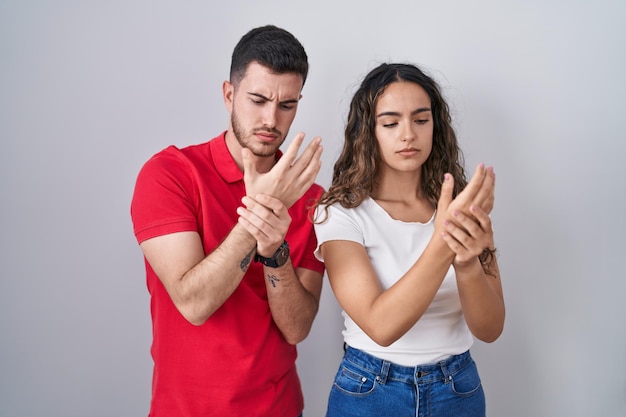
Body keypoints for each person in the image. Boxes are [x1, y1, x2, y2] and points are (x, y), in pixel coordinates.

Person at [130, 25, 324, 417]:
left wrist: (274, 252)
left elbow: (297, 328)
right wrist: (263, 211)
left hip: (279, 408)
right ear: (229, 94)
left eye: (287, 105)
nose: (271, 119)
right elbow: (194, 302)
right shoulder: (169, 174)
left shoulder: (311, 198)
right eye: (258, 99)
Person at [313, 63, 505, 417]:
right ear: (367, 132)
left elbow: (491, 328)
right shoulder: (340, 213)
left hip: (457, 390)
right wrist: (446, 241)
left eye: (421, 120)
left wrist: (466, 264)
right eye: (390, 123)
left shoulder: (460, 206)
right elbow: (381, 326)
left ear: (436, 125)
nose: (408, 134)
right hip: (369, 392)